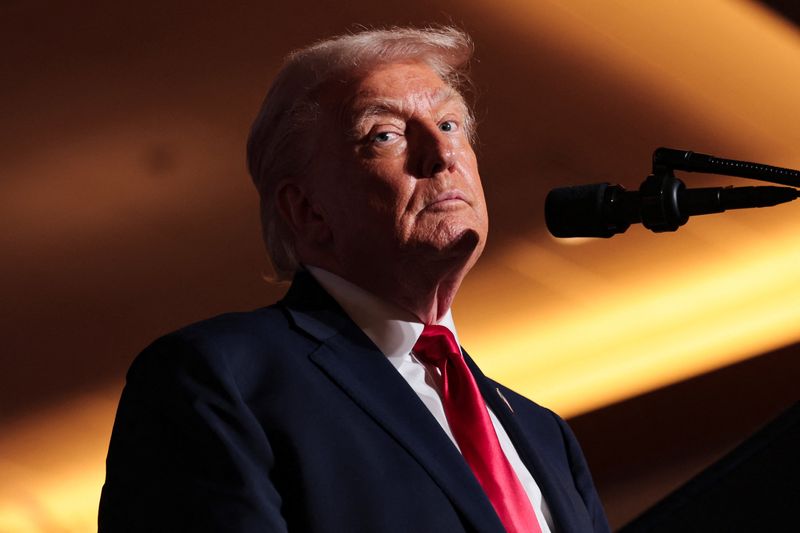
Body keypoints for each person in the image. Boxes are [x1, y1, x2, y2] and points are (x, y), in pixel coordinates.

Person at [99, 26, 610, 533]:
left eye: (451, 124)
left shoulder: (545, 435)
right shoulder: (222, 378)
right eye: (385, 135)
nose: (441, 153)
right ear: (307, 211)